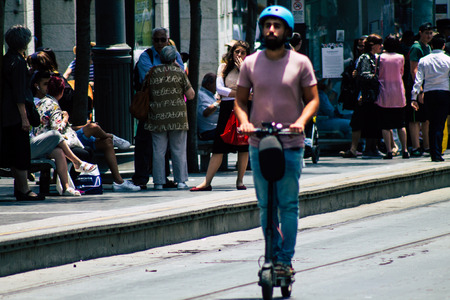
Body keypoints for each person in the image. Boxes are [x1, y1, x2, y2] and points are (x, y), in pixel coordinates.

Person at [235, 5, 319, 276]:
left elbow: (313, 100)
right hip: (259, 142)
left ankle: (284, 260)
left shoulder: (300, 62)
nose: (271, 30)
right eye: (267, 25)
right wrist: (245, 122)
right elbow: (239, 101)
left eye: (277, 25)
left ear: (286, 30)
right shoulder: (250, 62)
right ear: (261, 29)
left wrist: (300, 122)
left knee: (288, 204)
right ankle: (270, 256)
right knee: (265, 205)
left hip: (290, 143)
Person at [33, 75, 139, 191]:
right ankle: (110, 138)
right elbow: (57, 131)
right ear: (62, 91)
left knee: (106, 141)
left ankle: (118, 180)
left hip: (51, 141)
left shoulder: (40, 103)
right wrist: (65, 119)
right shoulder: (53, 105)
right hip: (59, 143)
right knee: (89, 143)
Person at [190, 40, 251, 192]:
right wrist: (242, 93)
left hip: (244, 108)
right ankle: (206, 182)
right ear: (232, 53)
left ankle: (240, 180)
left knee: (244, 146)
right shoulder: (223, 67)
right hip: (227, 108)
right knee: (219, 146)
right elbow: (220, 89)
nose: (239, 55)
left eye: (243, 53)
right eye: (237, 52)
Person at [132, 27, 184, 190]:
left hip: (170, 108)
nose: (160, 43)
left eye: (163, 39)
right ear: (152, 41)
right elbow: (150, 79)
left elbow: (182, 75)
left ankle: (161, 179)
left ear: (168, 40)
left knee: (164, 147)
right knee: (145, 142)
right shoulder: (146, 57)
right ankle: (142, 177)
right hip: (150, 107)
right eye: (157, 40)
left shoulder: (175, 55)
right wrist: (171, 71)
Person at [1, 25, 45, 201]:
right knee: (20, 153)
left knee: (12, 153)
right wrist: (24, 118)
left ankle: (20, 188)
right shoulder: (18, 62)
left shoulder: (6, 60)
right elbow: (20, 94)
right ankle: (24, 190)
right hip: (16, 115)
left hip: (6, 115)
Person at [145, 46, 195, 190]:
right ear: (174, 58)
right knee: (178, 149)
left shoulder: (152, 72)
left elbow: (144, 90)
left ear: (160, 58)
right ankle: (180, 181)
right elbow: (191, 95)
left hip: (157, 116)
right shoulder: (179, 72)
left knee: (158, 151)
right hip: (177, 117)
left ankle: (159, 182)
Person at [411, 35, 450, 162]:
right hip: (444, 92)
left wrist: (414, 96)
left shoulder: (424, 60)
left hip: (429, 93)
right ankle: (438, 152)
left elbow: (418, 79)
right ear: (443, 46)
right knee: (440, 124)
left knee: (432, 123)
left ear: (432, 45)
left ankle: (434, 152)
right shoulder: (448, 59)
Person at [375, 34, 409, 159]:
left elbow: (377, 73)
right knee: (401, 124)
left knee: (385, 125)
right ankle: (405, 150)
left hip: (385, 92)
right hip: (399, 93)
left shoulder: (380, 57)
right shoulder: (401, 57)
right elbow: (402, 72)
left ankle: (389, 151)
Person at [408, 22, 433, 157]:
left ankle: (427, 145)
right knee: (415, 118)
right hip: (416, 88)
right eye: (426, 33)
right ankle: (416, 146)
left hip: (428, 86)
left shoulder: (429, 47)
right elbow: (414, 70)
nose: (428, 36)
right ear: (420, 33)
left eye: (430, 33)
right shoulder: (416, 48)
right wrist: (419, 91)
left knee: (426, 119)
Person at [357, 33, 384, 159]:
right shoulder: (365, 57)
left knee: (375, 122)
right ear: (373, 45)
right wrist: (376, 78)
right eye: (379, 44)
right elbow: (363, 74)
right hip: (368, 95)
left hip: (376, 95)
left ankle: (374, 147)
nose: (381, 47)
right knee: (369, 122)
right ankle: (369, 147)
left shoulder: (376, 57)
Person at [340, 35, 367, 158]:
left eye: (363, 45)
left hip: (367, 94)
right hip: (358, 94)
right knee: (356, 122)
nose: (361, 48)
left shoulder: (370, 58)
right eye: (359, 45)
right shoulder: (356, 59)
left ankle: (365, 147)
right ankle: (354, 148)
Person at [197, 73, 220, 141]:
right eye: (216, 85)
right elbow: (206, 112)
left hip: (214, 129)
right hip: (208, 131)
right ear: (208, 85)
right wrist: (219, 102)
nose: (217, 87)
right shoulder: (201, 95)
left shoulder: (211, 95)